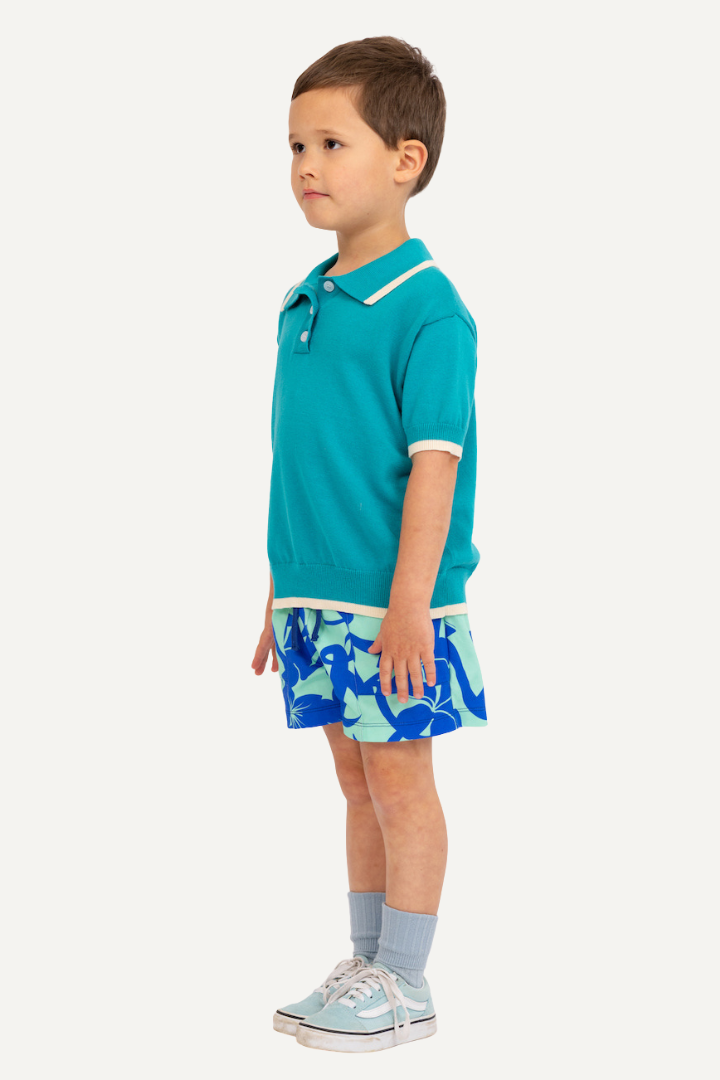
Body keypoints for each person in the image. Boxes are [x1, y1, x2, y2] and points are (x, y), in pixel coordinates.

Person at [251, 35, 488, 1054]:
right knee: (355, 783)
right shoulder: (304, 301)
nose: (306, 165)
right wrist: (280, 589)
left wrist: (409, 606)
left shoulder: (428, 310)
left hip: (396, 606)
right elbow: (304, 462)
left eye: (331, 143)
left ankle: (406, 981)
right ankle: (366, 961)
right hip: (318, 597)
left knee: (400, 782)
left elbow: (433, 471)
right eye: (295, 146)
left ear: (405, 160)